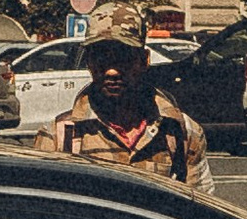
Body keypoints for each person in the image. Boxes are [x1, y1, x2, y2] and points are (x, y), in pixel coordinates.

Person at [40, 29, 213, 186]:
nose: (112, 72)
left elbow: (200, 213)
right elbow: (40, 214)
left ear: (145, 60)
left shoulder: (181, 132)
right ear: (89, 63)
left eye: (122, 58)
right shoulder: (60, 136)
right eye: (101, 59)